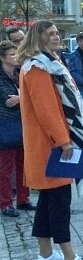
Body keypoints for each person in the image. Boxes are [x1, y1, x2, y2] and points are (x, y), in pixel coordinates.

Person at [16, 20, 83, 260]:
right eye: (50, 34)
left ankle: (45, 254)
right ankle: (70, 259)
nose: (56, 37)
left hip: (46, 145)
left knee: (47, 202)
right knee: (60, 204)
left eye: (56, 33)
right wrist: (64, 141)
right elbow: (47, 110)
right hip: (52, 146)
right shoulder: (37, 68)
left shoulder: (43, 63)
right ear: (38, 38)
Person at [0, 41, 35, 217]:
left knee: (24, 165)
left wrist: (22, 95)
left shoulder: (18, 74)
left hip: (23, 125)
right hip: (6, 126)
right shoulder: (1, 77)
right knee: (5, 169)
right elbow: (10, 102)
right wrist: (25, 95)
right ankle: (6, 203)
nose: (16, 57)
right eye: (12, 54)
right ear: (2, 57)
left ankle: (23, 199)